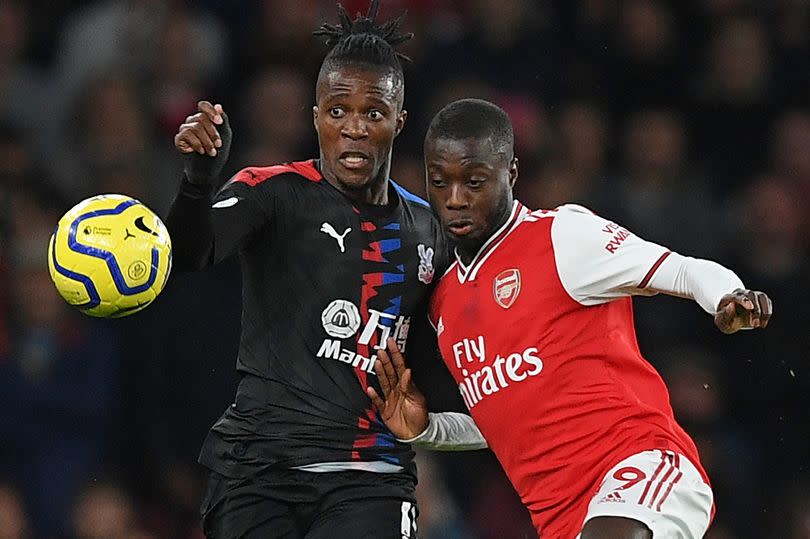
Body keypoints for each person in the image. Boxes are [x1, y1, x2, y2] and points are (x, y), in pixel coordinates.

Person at [367, 98, 773, 539]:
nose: (455, 200)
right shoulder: (444, 304)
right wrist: (425, 430)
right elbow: (505, 425)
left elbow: (683, 269)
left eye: (475, 181)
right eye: (440, 183)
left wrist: (727, 296)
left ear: (512, 173)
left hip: (640, 465)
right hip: (562, 522)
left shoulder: (562, 236)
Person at [165, 2, 464, 537]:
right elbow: (188, 255)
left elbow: (450, 358)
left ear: (400, 120)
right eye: (337, 111)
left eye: (373, 113)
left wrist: (438, 421)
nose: (353, 128)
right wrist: (197, 182)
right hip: (257, 468)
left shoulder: (432, 231)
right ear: (315, 116)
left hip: (370, 475)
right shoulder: (272, 193)